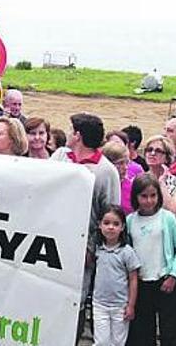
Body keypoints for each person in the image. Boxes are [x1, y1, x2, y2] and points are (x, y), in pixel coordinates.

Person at [51, 113, 118, 318]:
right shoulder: (60, 156)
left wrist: (92, 248)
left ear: (78, 135)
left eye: (72, 130)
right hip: (52, 236)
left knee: (73, 301)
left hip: (81, 246)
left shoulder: (106, 170)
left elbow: (109, 213)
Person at [126, 173, 176, 346]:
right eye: (144, 196)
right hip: (141, 283)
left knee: (170, 330)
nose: (148, 200)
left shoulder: (167, 218)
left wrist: (173, 275)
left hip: (164, 281)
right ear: (136, 197)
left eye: (153, 195)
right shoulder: (130, 221)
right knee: (144, 331)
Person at [91, 206, 140, 346]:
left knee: (118, 342)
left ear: (123, 227)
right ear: (100, 225)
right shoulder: (97, 249)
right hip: (100, 304)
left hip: (120, 306)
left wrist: (131, 305)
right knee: (101, 342)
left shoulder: (127, 252)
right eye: (106, 223)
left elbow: (133, 279)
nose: (111, 227)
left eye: (116, 224)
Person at [142, 135, 176, 215]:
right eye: (149, 150)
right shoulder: (138, 180)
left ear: (167, 157)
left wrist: (161, 182)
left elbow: (174, 210)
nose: (152, 153)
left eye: (158, 151)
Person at [101, 141, 135, 215]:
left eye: (127, 162)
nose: (125, 167)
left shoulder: (132, 187)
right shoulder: (100, 185)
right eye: (120, 163)